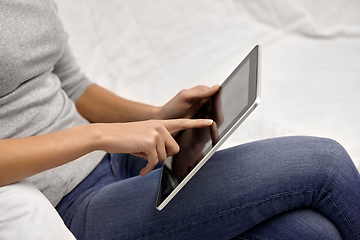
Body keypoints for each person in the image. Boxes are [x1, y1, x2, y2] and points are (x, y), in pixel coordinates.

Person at [1, 0, 359, 239]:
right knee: (325, 165)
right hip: (64, 202)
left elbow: (74, 85)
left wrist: (156, 117)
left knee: (313, 232)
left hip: (123, 161)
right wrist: (97, 136)